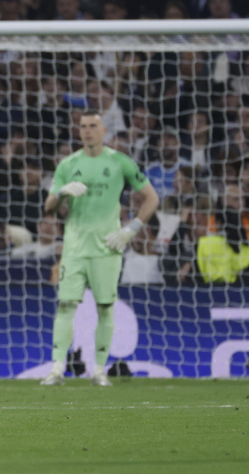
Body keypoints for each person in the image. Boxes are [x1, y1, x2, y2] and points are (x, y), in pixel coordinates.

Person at [41, 110, 159, 387]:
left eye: (93, 125)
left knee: (106, 307)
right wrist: (61, 192)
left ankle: (99, 371)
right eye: (83, 126)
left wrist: (131, 229)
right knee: (66, 305)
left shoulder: (120, 162)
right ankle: (57, 369)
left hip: (108, 247)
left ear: (104, 129)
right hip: (75, 248)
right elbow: (48, 207)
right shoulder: (68, 165)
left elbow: (152, 198)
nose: (87, 131)